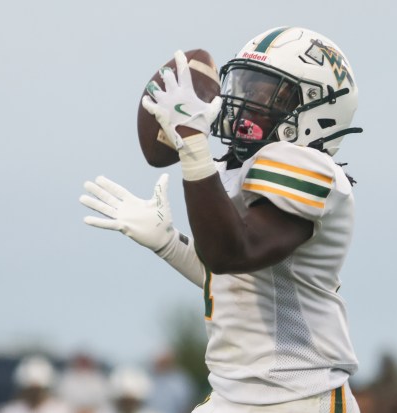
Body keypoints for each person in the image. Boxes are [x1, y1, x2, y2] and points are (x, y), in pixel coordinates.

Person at [81, 26, 363, 413]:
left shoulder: (309, 166)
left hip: (298, 397)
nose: (246, 101)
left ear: (317, 108)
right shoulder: (237, 167)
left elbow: (233, 252)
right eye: (244, 85)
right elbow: (237, 280)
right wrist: (169, 244)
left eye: (266, 92)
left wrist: (192, 143)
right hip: (231, 395)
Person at [0, 356, 71, 413]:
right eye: (31, 389)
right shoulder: (8, 410)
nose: (35, 393)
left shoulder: (61, 410)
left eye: (38, 390)